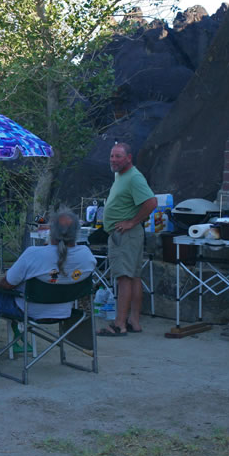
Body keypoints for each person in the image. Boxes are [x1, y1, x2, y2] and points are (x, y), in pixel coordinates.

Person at [0, 210, 96, 366]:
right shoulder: (87, 256)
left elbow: (7, 284)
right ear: (77, 233)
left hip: (29, 310)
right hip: (64, 312)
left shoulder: (34, 254)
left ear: (51, 232)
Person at [98, 142, 157, 336]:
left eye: (118, 156)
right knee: (133, 277)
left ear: (129, 158)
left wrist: (132, 222)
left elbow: (151, 202)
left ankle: (119, 325)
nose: (113, 160)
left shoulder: (134, 177)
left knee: (124, 278)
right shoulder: (120, 174)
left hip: (125, 235)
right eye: (112, 156)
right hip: (126, 235)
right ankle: (134, 321)